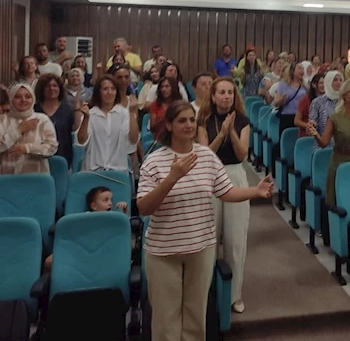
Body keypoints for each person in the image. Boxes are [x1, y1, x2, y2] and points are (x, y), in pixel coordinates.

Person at [136, 101, 273, 341]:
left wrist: (255, 191)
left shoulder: (206, 156)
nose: (189, 125)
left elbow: (226, 191)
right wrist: (172, 177)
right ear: (169, 125)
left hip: (201, 249)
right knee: (166, 321)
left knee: (196, 318)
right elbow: (144, 207)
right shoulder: (155, 161)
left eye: (192, 120)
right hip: (164, 252)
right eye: (182, 121)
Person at [197, 77, 251, 314]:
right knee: (209, 239)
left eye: (230, 92)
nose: (226, 96)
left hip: (234, 175)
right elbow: (205, 154)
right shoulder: (204, 120)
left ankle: (234, 295)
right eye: (222, 92)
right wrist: (221, 134)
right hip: (210, 175)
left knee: (235, 239)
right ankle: (207, 294)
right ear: (213, 96)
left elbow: (242, 155)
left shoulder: (243, 121)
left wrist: (232, 133)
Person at [43, 186, 128, 271]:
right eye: (105, 200)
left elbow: (124, 230)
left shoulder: (113, 218)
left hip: (106, 251)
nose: (110, 203)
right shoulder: (84, 218)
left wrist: (125, 211)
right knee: (49, 261)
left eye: (111, 200)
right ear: (94, 206)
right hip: (83, 249)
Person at [76, 75, 139, 172]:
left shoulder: (124, 113)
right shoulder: (90, 114)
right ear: (99, 92)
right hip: (93, 171)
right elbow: (81, 141)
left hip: (118, 171)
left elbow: (133, 140)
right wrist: (86, 118)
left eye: (113, 89)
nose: (109, 92)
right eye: (105, 89)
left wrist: (132, 113)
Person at [0, 82, 58, 174]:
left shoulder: (42, 120)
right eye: (17, 97)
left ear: (33, 99)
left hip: (36, 177)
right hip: (7, 178)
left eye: (28, 97)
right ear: (11, 99)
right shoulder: (2, 120)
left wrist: (27, 148)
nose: (23, 100)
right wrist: (18, 131)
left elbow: (52, 148)